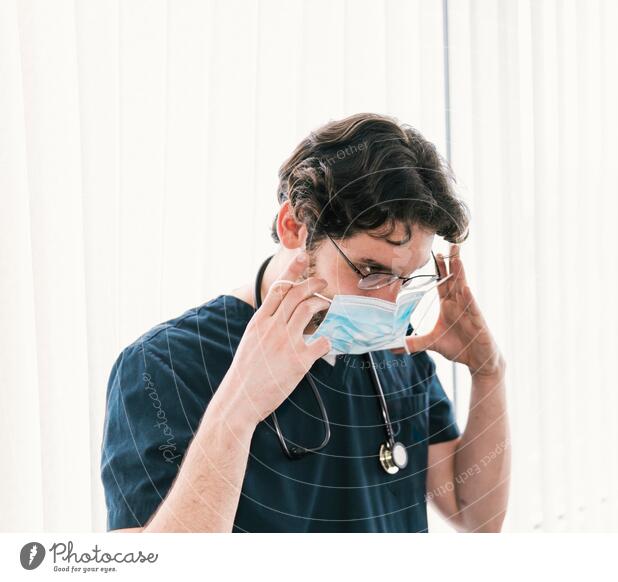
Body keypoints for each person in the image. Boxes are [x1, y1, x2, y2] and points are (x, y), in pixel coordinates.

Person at [100, 112, 510, 532]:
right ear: (295, 227)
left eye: (407, 278)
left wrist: (488, 372)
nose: (389, 302)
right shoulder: (165, 364)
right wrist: (238, 410)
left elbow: (475, 515)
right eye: (370, 272)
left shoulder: (394, 346)